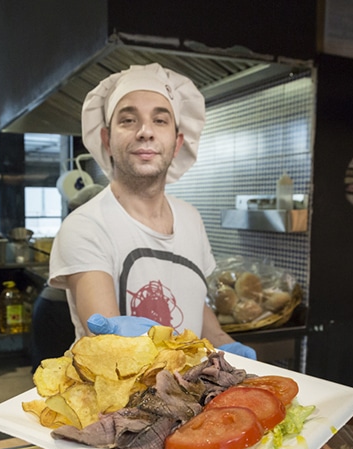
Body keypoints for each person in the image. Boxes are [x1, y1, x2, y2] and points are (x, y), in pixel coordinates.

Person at [48, 63, 255, 359]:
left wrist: (223, 342)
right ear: (107, 139)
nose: (145, 132)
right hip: (117, 401)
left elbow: (193, 302)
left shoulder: (190, 218)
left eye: (160, 120)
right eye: (129, 120)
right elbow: (107, 345)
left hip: (187, 393)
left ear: (177, 141)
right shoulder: (86, 225)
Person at [30, 184, 105, 371]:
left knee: (52, 368)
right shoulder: (83, 231)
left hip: (50, 305)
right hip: (56, 308)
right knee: (52, 371)